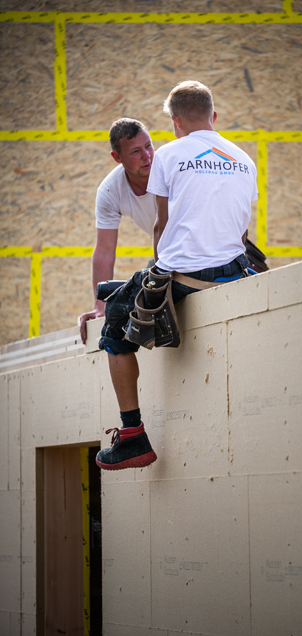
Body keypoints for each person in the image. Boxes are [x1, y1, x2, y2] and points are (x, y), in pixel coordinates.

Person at [95, 80, 259, 471]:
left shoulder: (168, 155)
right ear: (213, 116)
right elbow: (240, 230)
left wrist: (154, 277)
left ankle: (132, 437)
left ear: (175, 121)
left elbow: (162, 227)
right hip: (235, 269)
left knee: (113, 331)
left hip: (186, 273)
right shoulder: (245, 159)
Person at [79, 118, 156, 344]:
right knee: (118, 317)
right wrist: (99, 306)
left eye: (149, 146)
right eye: (135, 151)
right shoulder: (110, 190)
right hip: (168, 254)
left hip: (207, 245)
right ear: (117, 158)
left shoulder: (169, 168)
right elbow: (104, 251)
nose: (147, 156)